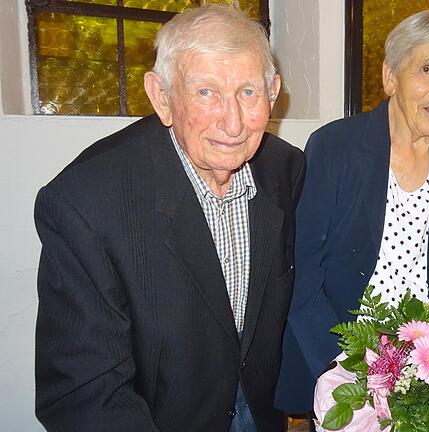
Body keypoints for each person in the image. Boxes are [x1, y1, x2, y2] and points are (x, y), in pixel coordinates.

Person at [33, 5, 304, 431]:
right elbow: (84, 394)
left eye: (248, 92)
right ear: (162, 97)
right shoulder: (85, 204)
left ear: (273, 91)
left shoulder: (286, 172)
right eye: (206, 92)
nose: (232, 122)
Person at [275, 8, 429, 413]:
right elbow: (300, 271)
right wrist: (342, 368)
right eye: (427, 69)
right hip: (342, 361)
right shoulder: (334, 147)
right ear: (390, 76)